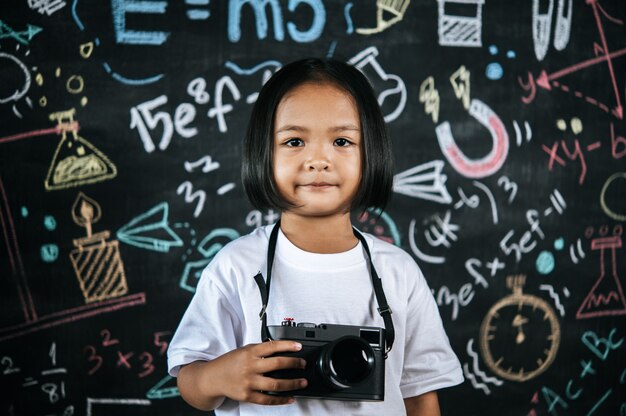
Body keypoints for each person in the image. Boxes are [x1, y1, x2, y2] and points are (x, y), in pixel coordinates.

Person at [167, 57, 463, 415]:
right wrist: (219, 377)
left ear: (372, 153)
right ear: (263, 153)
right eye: (294, 141)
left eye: (342, 140)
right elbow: (190, 379)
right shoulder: (236, 265)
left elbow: (420, 396)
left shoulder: (399, 272)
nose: (319, 159)